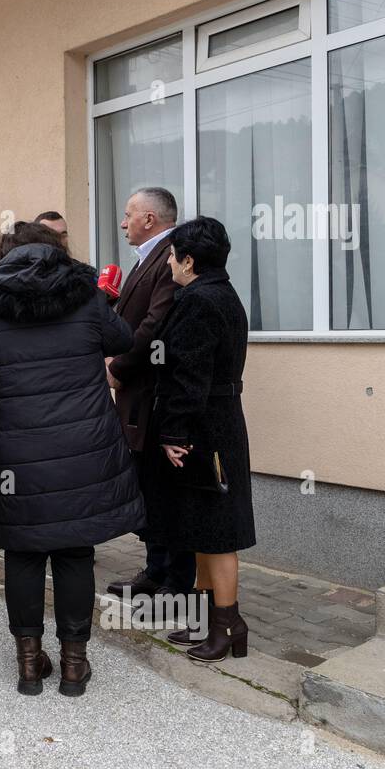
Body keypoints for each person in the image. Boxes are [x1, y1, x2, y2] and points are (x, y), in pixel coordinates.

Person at [0, 222, 144, 697]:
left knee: (22, 552)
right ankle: (74, 665)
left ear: (3, 258)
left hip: (12, 459)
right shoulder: (86, 300)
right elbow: (123, 340)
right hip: (82, 451)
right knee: (75, 551)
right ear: (58, 254)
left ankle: (28, 663)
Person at [141, 216, 256, 662]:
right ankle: (210, 621)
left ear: (188, 261)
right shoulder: (220, 293)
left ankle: (228, 624)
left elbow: (189, 375)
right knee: (202, 527)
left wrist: (173, 431)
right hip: (214, 423)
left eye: (172, 256)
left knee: (217, 531)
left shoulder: (199, 301)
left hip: (204, 429)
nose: (169, 263)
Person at [105, 188, 197, 608]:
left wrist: (119, 367)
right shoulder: (150, 257)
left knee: (166, 492)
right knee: (149, 490)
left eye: (129, 215)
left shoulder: (170, 258)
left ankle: (176, 581)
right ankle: (155, 569)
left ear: (149, 219)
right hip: (139, 399)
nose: (123, 223)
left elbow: (154, 326)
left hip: (155, 397)